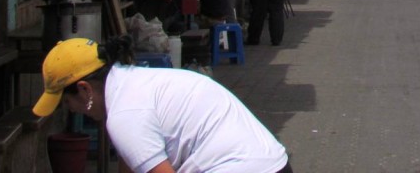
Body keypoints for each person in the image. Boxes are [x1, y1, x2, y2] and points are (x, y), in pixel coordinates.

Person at [32, 36, 292, 172]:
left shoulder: (125, 114)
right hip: (271, 163)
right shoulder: (132, 82)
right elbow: (132, 160)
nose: (71, 110)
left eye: (66, 102)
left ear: (84, 89)